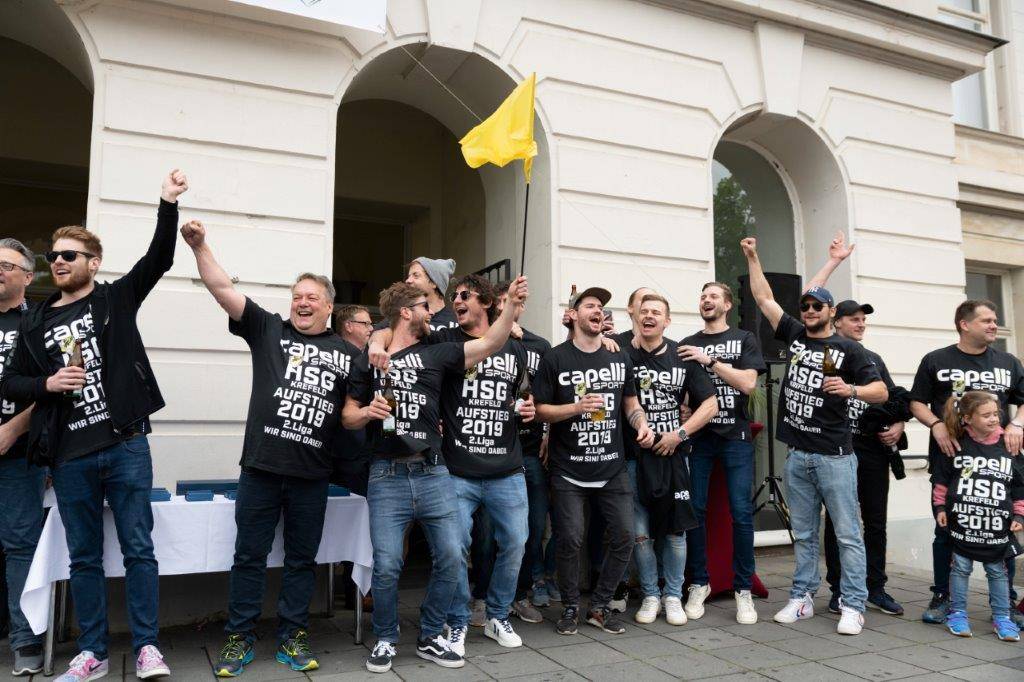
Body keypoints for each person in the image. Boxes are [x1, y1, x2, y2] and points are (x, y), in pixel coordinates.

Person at [1, 170, 190, 681]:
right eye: (53, 256)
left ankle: (147, 647)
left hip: (125, 444)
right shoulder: (35, 320)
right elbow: (12, 381)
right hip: (69, 454)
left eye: (69, 254)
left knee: (138, 550)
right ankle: (93, 653)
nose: (59, 262)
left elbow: (159, 259)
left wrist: (167, 202)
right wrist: (47, 384)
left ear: (93, 262)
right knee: (83, 557)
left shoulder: (114, 300)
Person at [180, 220, 359, 676]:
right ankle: (239, 637)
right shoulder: (268, 330)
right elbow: (222, 288)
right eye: (297, 296)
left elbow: (355, 410)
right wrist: (200, 247)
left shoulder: (349, 354)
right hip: (260, 469)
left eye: (311, 297)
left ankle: (292, 636)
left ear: (329, 306)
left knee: (301, 561)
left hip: (312, 476)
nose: (302, 302)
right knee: (248, 558)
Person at [343, 276, 528, 674]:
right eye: (425, 307)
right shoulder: (369, 359)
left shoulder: (437, 350)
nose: (433, 312)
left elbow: (490, 343)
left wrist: (511, 305)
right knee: (387, 564)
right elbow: (347, 415)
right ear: (406, 312)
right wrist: (367, 413)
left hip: (433, 471)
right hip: (386, 474)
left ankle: (430, 634)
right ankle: (386, 638)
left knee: (450, 556)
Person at [740, 237, 887, 636]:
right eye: (805, 306)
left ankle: (853, 605)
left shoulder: (850, 350)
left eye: (816, 306)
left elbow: (881, 392)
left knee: (848, 535)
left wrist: (851, 390)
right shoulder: (795, 335)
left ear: (831, 313)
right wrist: (753, 256)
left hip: (835, 458)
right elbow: (763, 298)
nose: (808, 310)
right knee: (803, 534)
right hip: (798, 455)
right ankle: (802, 597)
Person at [533, 287, 654, 636]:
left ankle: (599, 606)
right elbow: (539, 409)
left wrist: (641, 423)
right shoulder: (555, 358)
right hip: (568, 469)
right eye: (590, 305)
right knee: (570, 539)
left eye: (601, 306)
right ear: (573, 315)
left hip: (612, 467)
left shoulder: (619, 357)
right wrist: (575, 407)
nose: (598, 310)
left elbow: (630, 402)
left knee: (625, 537)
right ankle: (571, 606)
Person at [910, 299, 1024, 625]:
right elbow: (916, 401)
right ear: (964, 324)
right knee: (946, 531)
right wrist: (936, 424)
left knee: (1001, 529)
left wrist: (1017, 425)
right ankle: (943, 596)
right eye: (987, 320)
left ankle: (1005, 602)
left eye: (995, 320)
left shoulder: (1008, 362)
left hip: (999, 465)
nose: (994, 325)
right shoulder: (936, 360)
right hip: (952, 460)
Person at [626, 294, 717, 626]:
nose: (649, 316)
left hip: (674, 456)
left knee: (677, 532)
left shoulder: (682, 357)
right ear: (635, 316)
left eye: (657, 312)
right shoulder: (621, 354)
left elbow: (710, 405)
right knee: (641, 533)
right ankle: (651, 594)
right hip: (634, 458)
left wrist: (679, 434)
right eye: (644, 311)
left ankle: (673, 596)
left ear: (667, 321)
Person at [678, 281, 765, 625]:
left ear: (727, 304)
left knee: (741, 513)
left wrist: (710, 361)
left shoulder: (744, 339)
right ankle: (699, 583)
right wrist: (684, 408)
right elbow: (682, 391)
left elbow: (748, 384)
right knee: (695, 510)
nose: (706, 300)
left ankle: (743, 589)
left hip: (735, 437)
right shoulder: (687, 343)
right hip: (699, 438)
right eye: (702, 296)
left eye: (713, 296)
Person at [821, 300, 909, 617]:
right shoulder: (826, 356)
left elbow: (894, 399)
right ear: (837, 322)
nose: (861, 324)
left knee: (875, 521)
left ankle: (875, 588)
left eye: (863, 320)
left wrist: (899, 425)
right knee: (838, 521)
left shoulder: (873, 359)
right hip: (838, 449)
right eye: (854, 319)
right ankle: (839, 589)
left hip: (872, 451)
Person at [933, 390, 1024, 642]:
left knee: (997, 571)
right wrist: (940, 509)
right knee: (960, 568)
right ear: (967, 419)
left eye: (996, 413)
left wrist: (1020, 515)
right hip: (963, 523)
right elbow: (941, 481)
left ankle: (1003, 617)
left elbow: (1019, 486)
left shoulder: (1009, 444)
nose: (994, 419)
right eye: (986, 415)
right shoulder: (955, 444)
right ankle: (957, 613)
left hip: (997, 527)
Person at [0, 238, 44, 676]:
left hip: (18, 456)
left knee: (19, 546)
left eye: (7, 265)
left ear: (28, 277)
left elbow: (56, 388)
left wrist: (12, 429)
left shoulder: (39, 322)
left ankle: (25, 640)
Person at [332, 304, 373, 496]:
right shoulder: (330, 355)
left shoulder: (373, 358)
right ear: (348, 326)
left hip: (362, 453)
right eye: (365, 324)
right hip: (333, 450)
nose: (371, 328)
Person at [374, 258, 459, 333]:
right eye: (409, 276)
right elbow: (377, 333)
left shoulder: (458, 321)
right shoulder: (402, 317)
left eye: (416, 275)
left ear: (434, 283)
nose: (408, 280)